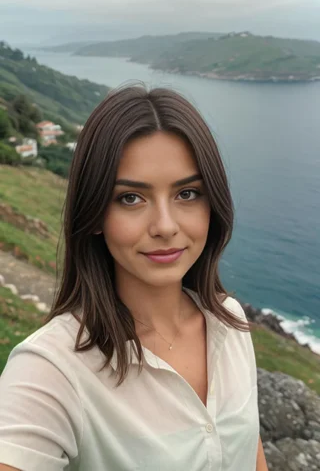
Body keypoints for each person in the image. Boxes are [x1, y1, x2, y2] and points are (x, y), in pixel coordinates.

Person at [0, 83, 268, 471]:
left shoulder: (230, 321)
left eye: (188, 193)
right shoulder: (52, 369)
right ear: (93, 215)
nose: (164, 226)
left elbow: (249, 448)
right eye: (130, 198)